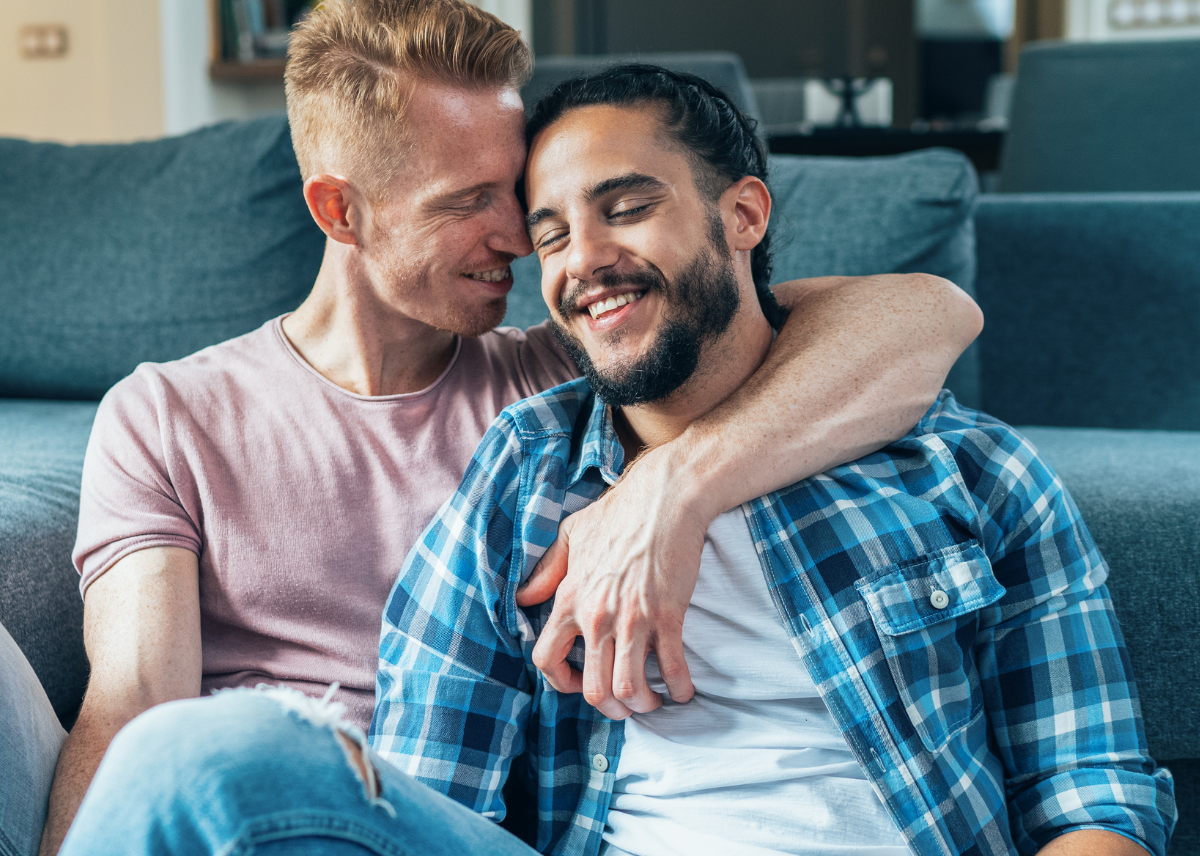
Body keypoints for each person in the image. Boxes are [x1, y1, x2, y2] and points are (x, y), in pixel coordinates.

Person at [61, 65, 1173, 856]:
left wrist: (674, 491)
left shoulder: (968, 473)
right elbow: (426, 791)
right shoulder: (523, 465)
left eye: (626, 206)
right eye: (543, 231)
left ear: (744, 214)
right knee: (207, 758)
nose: (579, 259)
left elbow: (1095, 790)